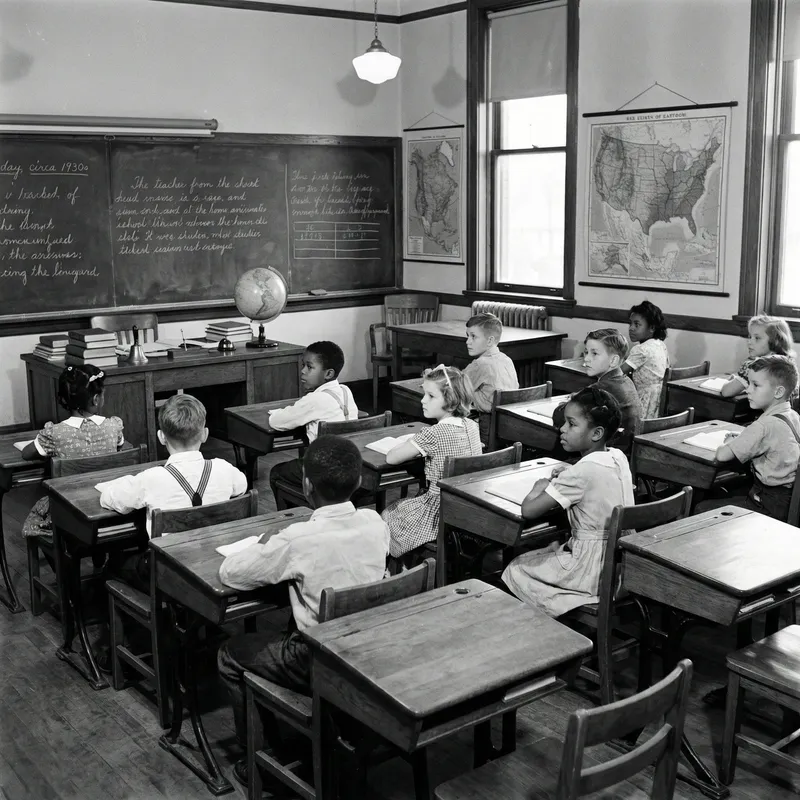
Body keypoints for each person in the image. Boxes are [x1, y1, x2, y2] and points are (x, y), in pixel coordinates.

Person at [217, 435, 389, 789]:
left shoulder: (298, 538)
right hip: (370, 646)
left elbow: (231, 573)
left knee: (228, 654)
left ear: (306, 485)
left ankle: (258, 760)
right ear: (359, 481)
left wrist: (267, 545)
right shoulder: (376, 523)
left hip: (318, 659)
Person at [502, 387, 635, 617]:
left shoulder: (580, 473)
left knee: (516, 568)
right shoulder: (618, 457)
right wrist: (570, 473)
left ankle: (547, 627)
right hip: (622, 565)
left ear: (596, 433)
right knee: (544, 552)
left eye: (571, 424)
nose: (562, 429)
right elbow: (595, 480)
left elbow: (529, 510)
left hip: (591, 571)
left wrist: (539, 487)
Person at [98, 393, 248, 591]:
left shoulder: (151, 478)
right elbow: (242, 486)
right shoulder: (223, 468)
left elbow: (110, 499)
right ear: (205, 434)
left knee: (114, 564)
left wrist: (115, 486)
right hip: (215, 560)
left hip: (169, 571)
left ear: (161, 437)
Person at [22, 364, 125, 561]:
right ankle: (100, 559)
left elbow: (27, 454)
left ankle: (64, 570)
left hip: (71, 511)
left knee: (35, 521)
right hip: (108, 503)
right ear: (96, 399)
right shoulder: (113, 427)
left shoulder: (55, 433)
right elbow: (119, 446)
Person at [382, 364, 482, 564]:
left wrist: (409, 441)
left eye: (431, 396)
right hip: (469, 505)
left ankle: (398, 569)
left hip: (438, 512)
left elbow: (391, 458)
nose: (423, 400)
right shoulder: (472, 425)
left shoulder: (433, 434)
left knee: (388, 514)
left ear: (451, 402)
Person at [707, 355, 800, 522]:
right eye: (748, 383)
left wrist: (728, 443)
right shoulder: (793, 416)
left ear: (778, 392)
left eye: (755, 385)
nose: (748, 390)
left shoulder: (764, 425)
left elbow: (722, 455)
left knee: (702, 508)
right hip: (788, 502)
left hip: (766, 505)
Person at [268, 340, 358, 505]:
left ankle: (298, 512)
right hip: (349, 466)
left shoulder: (315, 399)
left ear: (328, 374)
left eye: (309, 367)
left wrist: (277, 413)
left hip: (323, 470)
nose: (302, 371)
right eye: (303, 365)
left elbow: (277, 422)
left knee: (277, 472)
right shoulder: (346, 391)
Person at [463, 312, 519, 445]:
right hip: (510, 427)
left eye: (473, 336)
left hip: (487, 428)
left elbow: (456, 386)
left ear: (489, 341)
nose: (467, 341)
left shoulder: (481, 364)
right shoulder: (507, 359)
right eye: (467, 336)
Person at [720, 315, 796, 401]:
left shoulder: (756, 366)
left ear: (775, 341)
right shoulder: (788, 364)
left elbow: (726, 392)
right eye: (750, 337)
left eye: (757, 338)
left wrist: (728, 382)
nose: (749, 342)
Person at [621, 300, 670, 419]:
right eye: (630, 324)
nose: (631, 328)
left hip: (644, 401)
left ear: (652, 328)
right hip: (659, 401)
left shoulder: (641, 349)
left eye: (637, 324)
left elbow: (618, 372)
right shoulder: (660, 344)